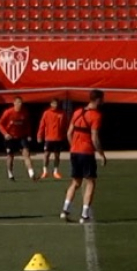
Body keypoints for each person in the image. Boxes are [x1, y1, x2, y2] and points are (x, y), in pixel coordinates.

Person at [61, 89, 106, 224]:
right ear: (98, 100)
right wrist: (101, 154)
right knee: (91, 182)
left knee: (75, 182)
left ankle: (65, 210)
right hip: (86, 152)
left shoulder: (77, 112)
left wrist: (73, 146)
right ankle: (84, 214)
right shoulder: (96, 115)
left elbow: (69, 133)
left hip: (74, 152)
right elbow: (94, 137)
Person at [0, 96, 35, 181]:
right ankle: (10, 172)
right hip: (10, 137)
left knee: (26, 153)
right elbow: (0, 124)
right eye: (18, 102)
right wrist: (5, 134)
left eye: (21, 102)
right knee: (10, 156)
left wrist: (29, 134)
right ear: (14, 103)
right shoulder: (8, 112)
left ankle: (31, 173)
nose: (19, 104)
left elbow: (27, 125)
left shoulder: (24, 113)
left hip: (21, 137)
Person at [37, 98, 66, 180]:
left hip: (58, 138)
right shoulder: (46, 113)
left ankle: (55, 171)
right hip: (48, 138)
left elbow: (65, 125)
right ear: (50, 104)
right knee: (46, 155)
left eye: (56, 103)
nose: (55, 105)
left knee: (57, 155)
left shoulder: (62, 113)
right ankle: (45, 171)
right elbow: (42, 125)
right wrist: (39, 135)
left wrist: (64, 135)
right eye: (53, 103)